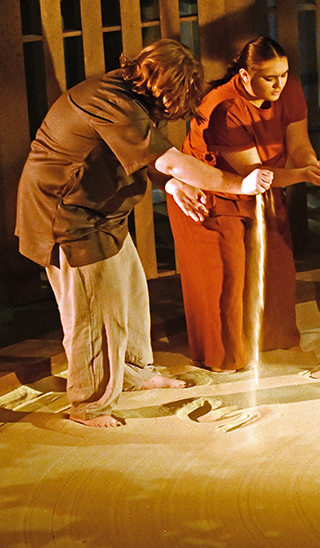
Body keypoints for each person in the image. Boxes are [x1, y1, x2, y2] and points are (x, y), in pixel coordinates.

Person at [14, 40, 274, 427]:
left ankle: (133, 373)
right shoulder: (109, 99)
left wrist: (170, 186)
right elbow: (169, 160)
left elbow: (138, 156)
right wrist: (238, 185)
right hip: (66, 216)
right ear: (162, 87)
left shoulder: (130, 96)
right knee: (94, 311)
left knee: (131, 291)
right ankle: (90, 403)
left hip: (100, 211)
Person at [169, 37, 320, 371]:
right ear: (245, 76)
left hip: (262, 189)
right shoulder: (224, 108)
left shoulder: (289, 90)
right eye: (269, 77)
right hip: (214, 194)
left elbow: (298, 143)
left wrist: (312, 164)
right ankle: (227, 357)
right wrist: (302, 176)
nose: (279, 84)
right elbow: (253, 172)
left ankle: (273, 343)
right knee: (228, 278)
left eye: (284, 74)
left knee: (277, 267)